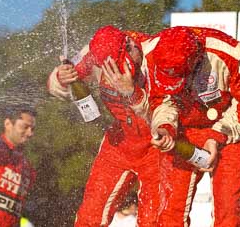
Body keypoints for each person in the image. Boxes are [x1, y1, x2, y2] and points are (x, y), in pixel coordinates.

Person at [143, 26, 240, 227]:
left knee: (228, 215)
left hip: (229, 129)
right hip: (184, 130)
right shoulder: (151, 52)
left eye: (178, 79)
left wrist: (217, 136)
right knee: (170, 211)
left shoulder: (232, 54)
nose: (176, 85)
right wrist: (165, 127)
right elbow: (161, 99)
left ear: (196, 60)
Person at [47, 25, 161, 227]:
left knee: (154, 220)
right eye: (109, 69)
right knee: (89, 216)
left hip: (157, 147)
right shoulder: (93, 54)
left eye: (120, 67)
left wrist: (132, 92)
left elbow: (170, 115)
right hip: (119, 143)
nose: (116, 74)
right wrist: (60, 79)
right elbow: (56, 85)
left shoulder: (156, 52)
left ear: (129, 45)